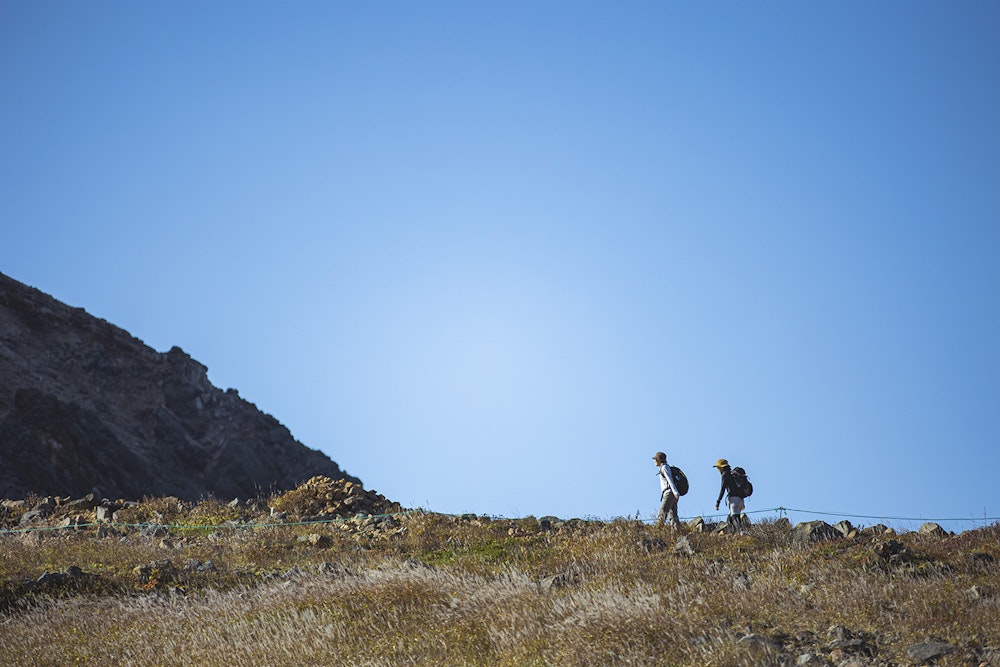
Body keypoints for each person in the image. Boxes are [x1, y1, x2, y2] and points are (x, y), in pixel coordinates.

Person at [713, 458, 748, 532]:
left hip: (733, 500)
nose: (717, 470)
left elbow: (722, 489)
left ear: (721, 467)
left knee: (736, 519)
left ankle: (742, 534)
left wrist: (717, 503)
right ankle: (731, 534)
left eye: (718, 468)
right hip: (741, 500)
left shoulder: (725, 475)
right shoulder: (732, 474)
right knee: (730, 518)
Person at [653, 452, 681, 530]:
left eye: (655, 459)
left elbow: (670, 480)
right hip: (672, 493)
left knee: (662, 512)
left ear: (659, 460)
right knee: (673, 515)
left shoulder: (664, 468)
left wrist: (675, 492)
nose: (654, 461)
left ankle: (657, 531)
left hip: (669, 493)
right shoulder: (665, 467)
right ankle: (676, 533)